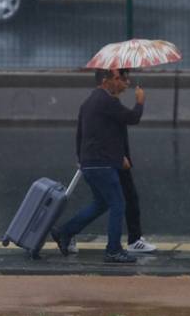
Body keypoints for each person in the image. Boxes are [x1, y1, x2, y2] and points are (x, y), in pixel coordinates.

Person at [51, 67, 145, 264]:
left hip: (90, 163)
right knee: (118, 203)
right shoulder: (105, 101)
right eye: (118, 78)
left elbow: (86, 133)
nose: (121, 81)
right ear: (105, 80)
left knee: (101, 203)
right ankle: (113, 250)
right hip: (101, 164)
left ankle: (64, 232)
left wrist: (81, 158)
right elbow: (132, 118)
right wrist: (139, 101)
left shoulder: (89, 102)